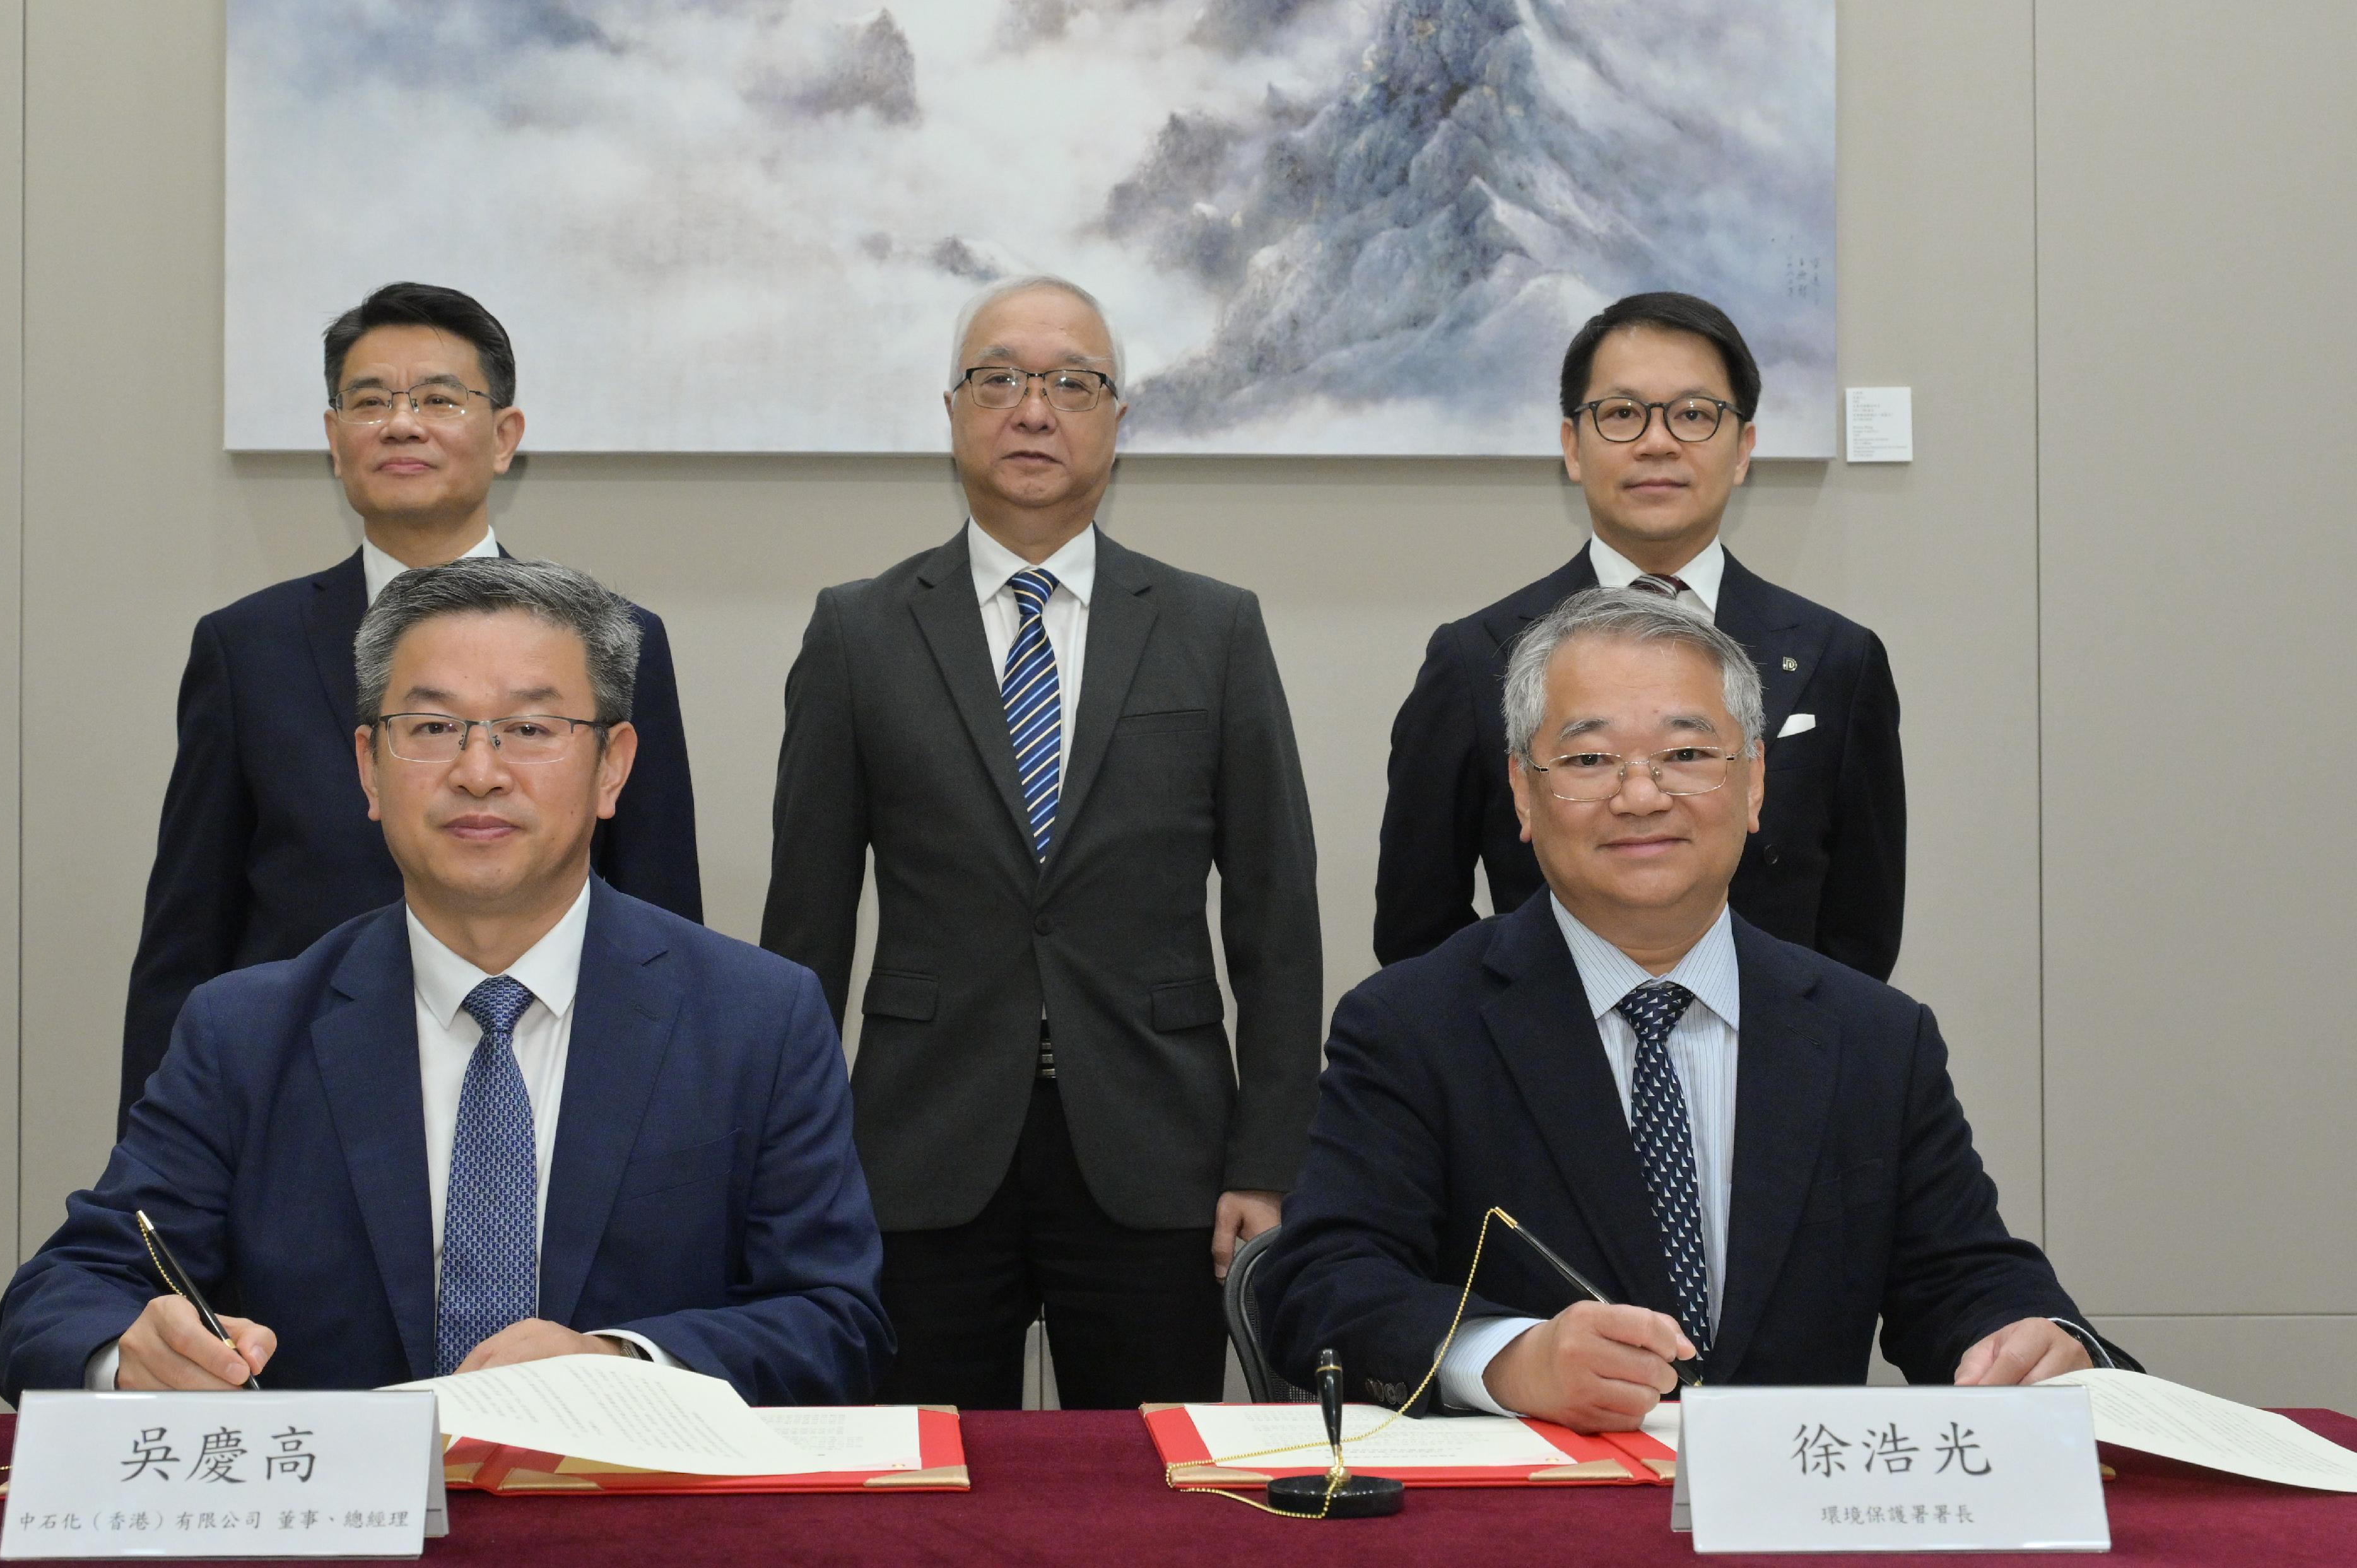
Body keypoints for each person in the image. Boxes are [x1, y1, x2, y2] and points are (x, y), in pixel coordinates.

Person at [0, 560, 886, 1403]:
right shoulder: (245, 1030)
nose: (478, 771)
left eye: (531, 728)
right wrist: (132, 1352)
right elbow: (62, 1294)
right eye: (431, 727)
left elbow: (835, 1320)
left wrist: (620, 1361)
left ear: (613, 765)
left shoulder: (756, 1017)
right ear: (368, 768)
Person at [1260, 590, 2127, 1427]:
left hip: (1796, 1522)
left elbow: (1962, 1279)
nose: (1641, 795)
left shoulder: (1875, 1037)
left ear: (1754, 783)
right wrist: (1510, 1358)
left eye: (1686, 754)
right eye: (1590, 759)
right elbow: (1322, 1282)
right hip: (1541, 1523)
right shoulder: (1413, 1022)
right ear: (1523, 793)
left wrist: (2038, 1342)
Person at [759, 276, 1322, 1410]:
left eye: (1073, 382)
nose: (1034, 409)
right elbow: (805, 927)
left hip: (1159, 1148)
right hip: (917, 1145)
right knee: (923, 1489)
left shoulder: (1214, 626)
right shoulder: (860, 630)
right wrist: (794, 1167)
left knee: (1151, 1491)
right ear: (954, 410)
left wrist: (1268, 1160)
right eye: (1001, 379)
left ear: (1118, 419)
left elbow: (1276, 912)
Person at [119, 282, 702, 1123]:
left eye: (437, 398)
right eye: (369, 401)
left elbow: (660, 914)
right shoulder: (246, 648)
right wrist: (156, 1183)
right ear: (333, 438)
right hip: (297, 1101)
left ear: (505, 436)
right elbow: (186, 937)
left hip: (549, 1097)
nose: (401, 423)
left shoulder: (610, 638)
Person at [1375, 291, 1905, 979]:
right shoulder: (1476, 658)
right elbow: (1416, 929)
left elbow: (1862, 931)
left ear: (1743, 447)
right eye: (1622, 414)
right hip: (1544, 1060)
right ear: (1572, 445)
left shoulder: (1840, 659)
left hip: (1773, 1061)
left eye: (1693, 415)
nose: (1658, 442)